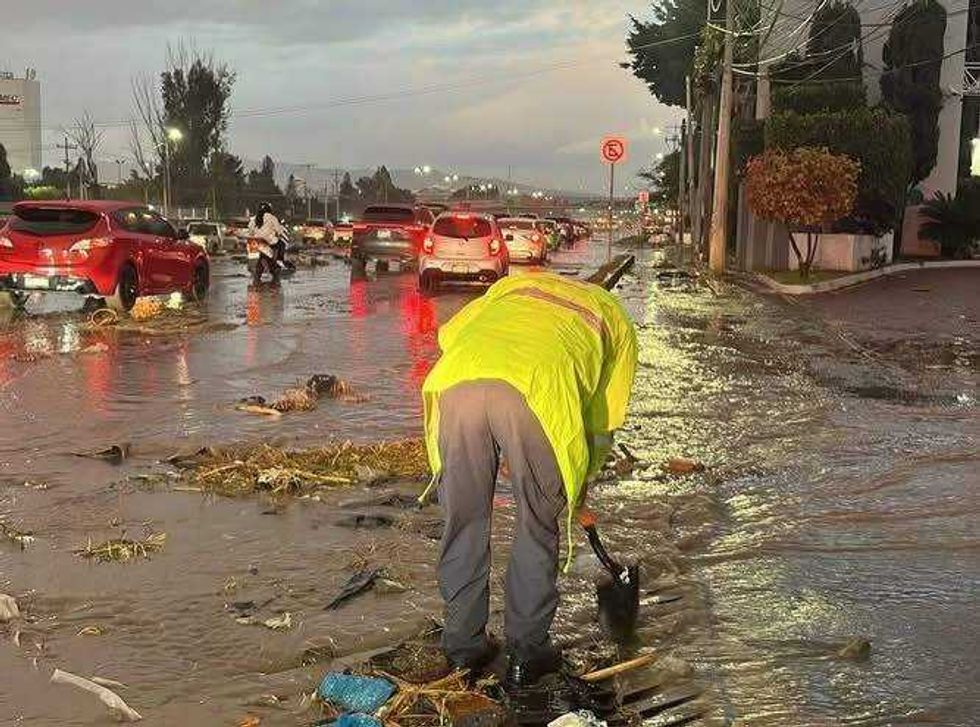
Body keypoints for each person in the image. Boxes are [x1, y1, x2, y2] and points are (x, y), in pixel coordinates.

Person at [422, 272, 638, 688]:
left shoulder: (510, 289)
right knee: (537, 522)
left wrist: (499, 428)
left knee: (463, 520)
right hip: (538, 391)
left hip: (457, 383)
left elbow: (450, 334)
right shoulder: (614, 318)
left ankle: (463, 648)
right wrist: (580, 480)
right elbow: (602, 419)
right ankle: (527, 651)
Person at [247, 202, 287, 285]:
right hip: (269, 242)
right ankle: (279, 261)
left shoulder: (254, 218)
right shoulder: (272, 218)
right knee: (282, 244)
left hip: (255, 242)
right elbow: (279, 231)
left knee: (259, 258)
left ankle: (258, 276)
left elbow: (250, 230)